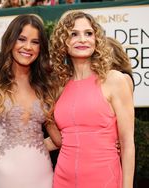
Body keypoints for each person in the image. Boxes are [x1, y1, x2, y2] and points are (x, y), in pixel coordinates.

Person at [50, 10, 135, 187]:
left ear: (96, 40)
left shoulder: (114, 80)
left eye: (88, 33)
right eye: (74, 34)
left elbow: (127, 144)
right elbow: (60, 137)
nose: (82, 39)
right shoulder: (58, 86)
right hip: (63, 179)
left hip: (104, 179)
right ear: (62, 42)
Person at [0, 14, 61, 188]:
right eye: (21, 39)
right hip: (2, 175)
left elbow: (58, 138)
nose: (28, 47)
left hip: (41, 172)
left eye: (35, 42)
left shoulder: (46, 85)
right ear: (10, 41)